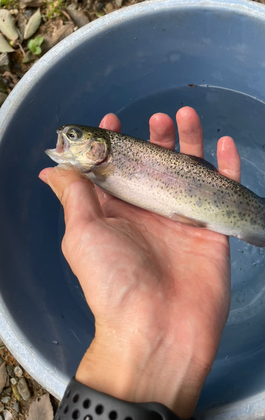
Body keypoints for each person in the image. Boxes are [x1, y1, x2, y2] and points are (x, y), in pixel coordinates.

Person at [39, 107, 241, 419]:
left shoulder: (101, 167)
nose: (67, 139)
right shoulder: (99, 167)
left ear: (98, 148)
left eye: (74, 137)